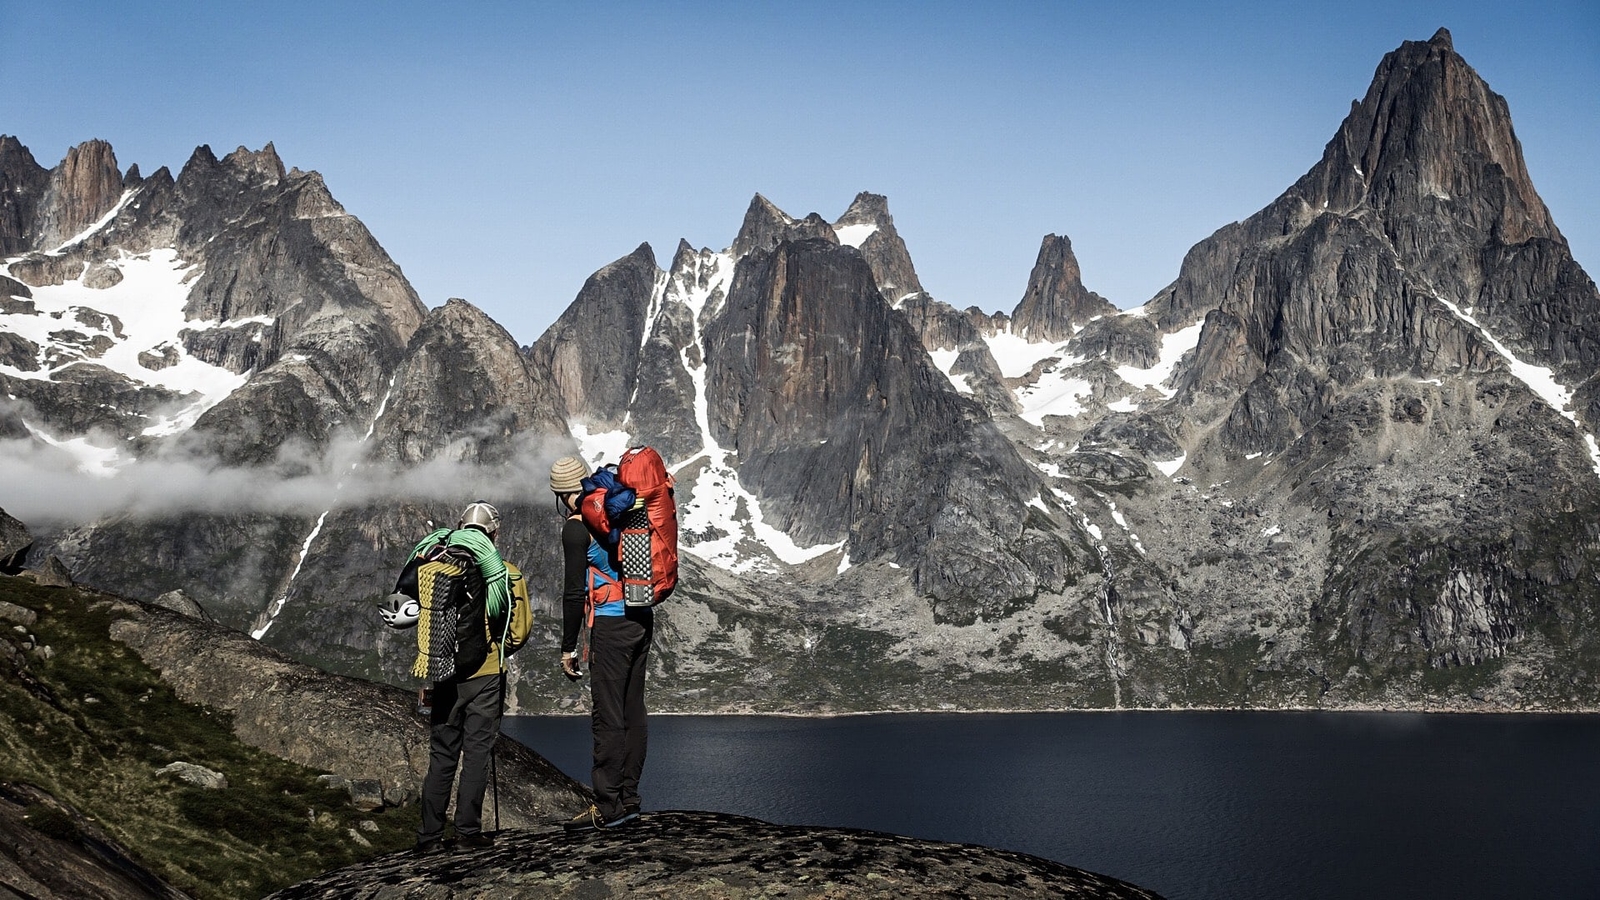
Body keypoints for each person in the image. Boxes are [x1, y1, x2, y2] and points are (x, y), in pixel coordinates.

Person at [413, 501, 532, 854]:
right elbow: (519, 631)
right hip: (486, 673)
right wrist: (498, 647)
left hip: (444, 675)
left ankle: (429, 837)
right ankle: (467, 832)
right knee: (477, 753)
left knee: (442, 755)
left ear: (460, 528)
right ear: (494, 533)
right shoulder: (506, 573)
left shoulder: (437, 571)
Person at [549, 455, 654, 830]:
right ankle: (630, 798)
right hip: (641, 617)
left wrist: (567, 647)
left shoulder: (577, 528)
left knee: (607, 716)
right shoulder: (620, 510)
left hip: (610, 626)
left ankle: (608, 806)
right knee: (633, 711)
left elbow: (573, 592)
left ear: (561, 494)